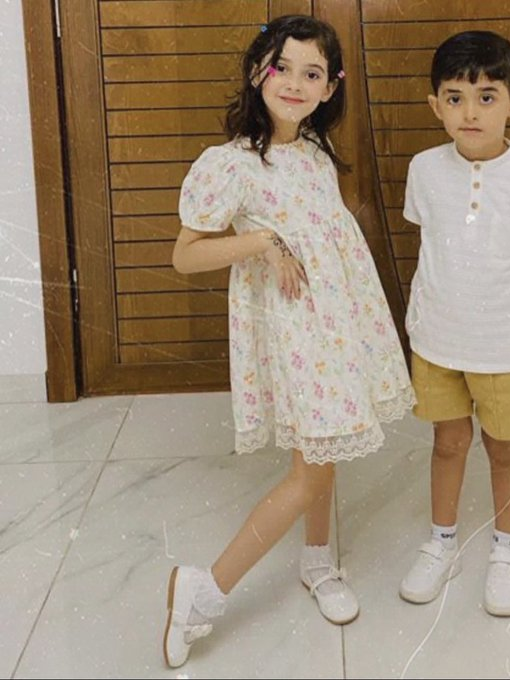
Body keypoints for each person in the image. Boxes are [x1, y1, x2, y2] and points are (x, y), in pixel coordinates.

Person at [162, 15, 415, 668]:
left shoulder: (315, 154)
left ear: (330, 87)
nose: (295, 83)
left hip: (337, 328)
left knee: (323, 450)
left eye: (313, 73)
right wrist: (261, 241)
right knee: (309, 472)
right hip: (296, 334)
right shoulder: (230, 165)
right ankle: (205, 591)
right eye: (283, 68)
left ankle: (316, 561)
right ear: (258, 72)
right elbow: (186, 257)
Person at [399, 30, 510, 617]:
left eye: (487, 97)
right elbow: (431, 242)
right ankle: (442, 540)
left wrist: (504, 308)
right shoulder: (424, 170)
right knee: (448, 442)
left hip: (501, 345)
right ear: (436, 105)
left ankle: (505, 548)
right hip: (436, 339)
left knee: (503, 447)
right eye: (455, 98)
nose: (469, 113)